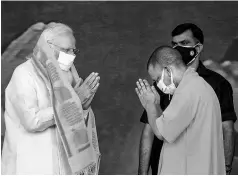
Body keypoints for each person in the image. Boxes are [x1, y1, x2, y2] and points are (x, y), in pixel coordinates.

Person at [1, 22, 101, 175]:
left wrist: (84, 107)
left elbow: (72, 122)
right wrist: (75, 102)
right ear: (48, 47)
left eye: (74, 51)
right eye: (66, 50)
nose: (71, 56)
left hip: (60, 167)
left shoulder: (66, 77)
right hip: (29, 167)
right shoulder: (24, 74)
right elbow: (32, 122)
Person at [138, 23, 237, 175]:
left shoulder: (187, 91)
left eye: (157, 78)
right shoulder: (198, 85)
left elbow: (162, 133)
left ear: (167, 70)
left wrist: (150, 105)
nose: (157, 83)